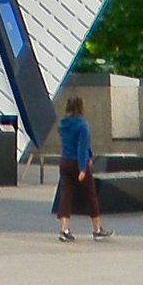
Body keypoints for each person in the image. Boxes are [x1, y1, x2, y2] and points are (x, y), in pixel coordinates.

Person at [54, 91, 107, 242]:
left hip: (65, 162)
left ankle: (64, 229)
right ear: (81, 107)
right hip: (78, 162)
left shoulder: (62, 124)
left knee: (66, 196)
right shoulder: (82, 125)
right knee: (91, 196)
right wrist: (83, 167)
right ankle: (97, 229)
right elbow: (82, 147)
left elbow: (70, 144)